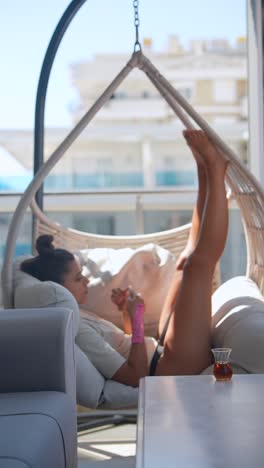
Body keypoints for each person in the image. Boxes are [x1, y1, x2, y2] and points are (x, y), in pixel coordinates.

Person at [20, 129, 228, 387]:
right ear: (59, 289)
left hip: (161, 351)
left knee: (185, 264)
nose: (85, 280)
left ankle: (204, 170)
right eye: (76, 278)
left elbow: (126, 348)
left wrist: (129, 315)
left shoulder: (82, 314)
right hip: (169, 369)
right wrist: (139, 322)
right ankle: (217, 171)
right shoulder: (77, 330)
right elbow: (134, 375)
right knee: (199, 266)